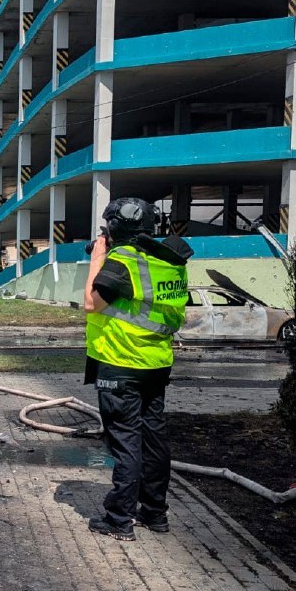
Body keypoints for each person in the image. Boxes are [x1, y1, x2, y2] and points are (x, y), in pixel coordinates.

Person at [84, 198, 194, 541]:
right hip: (156, 363)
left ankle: (119, 520)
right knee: (154, 439)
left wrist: (97, 257)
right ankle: (155, 513)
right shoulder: (169, 262)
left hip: (121, 363)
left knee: (126, 442)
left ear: (115, 228)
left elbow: (92, 302)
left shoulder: (122, 261)